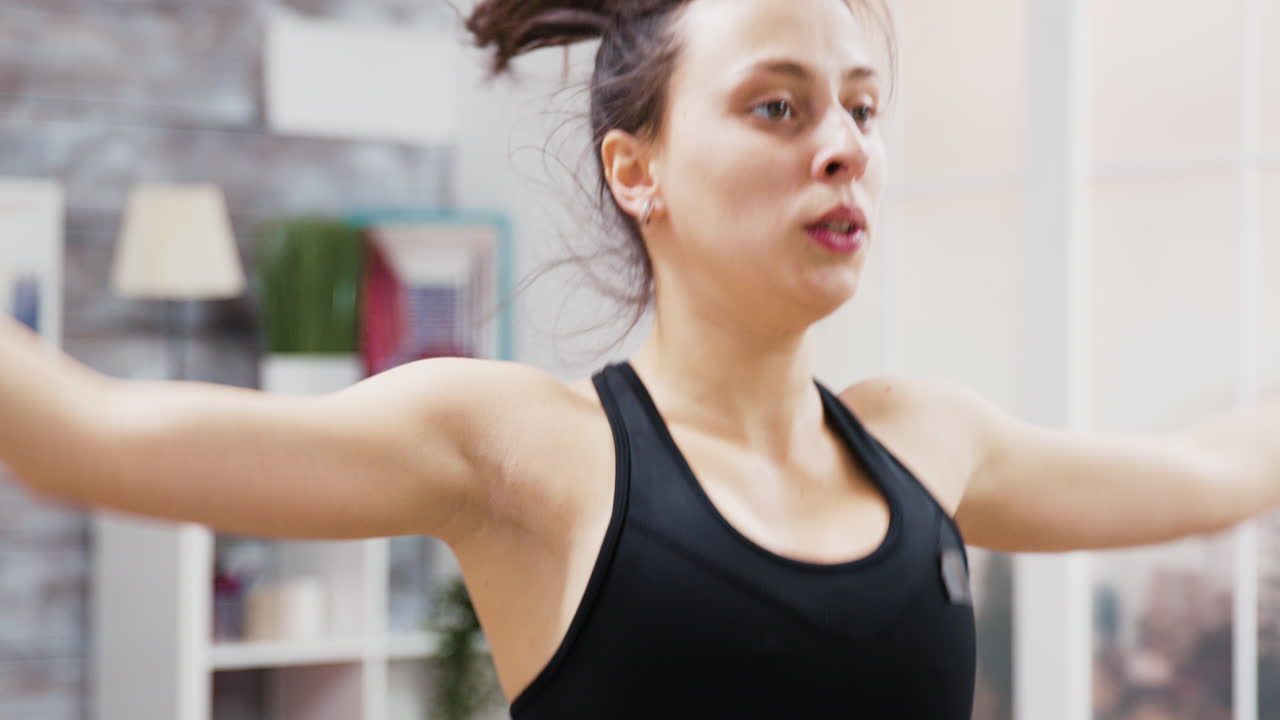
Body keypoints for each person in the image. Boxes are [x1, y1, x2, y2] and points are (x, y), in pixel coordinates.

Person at [1, 0, 1277, 716]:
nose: (841, 144)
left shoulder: (925, 446)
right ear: (638, 168)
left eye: (863, 108)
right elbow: (81, 431)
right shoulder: (531, 456)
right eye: (777, 105)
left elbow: (1211, 466)